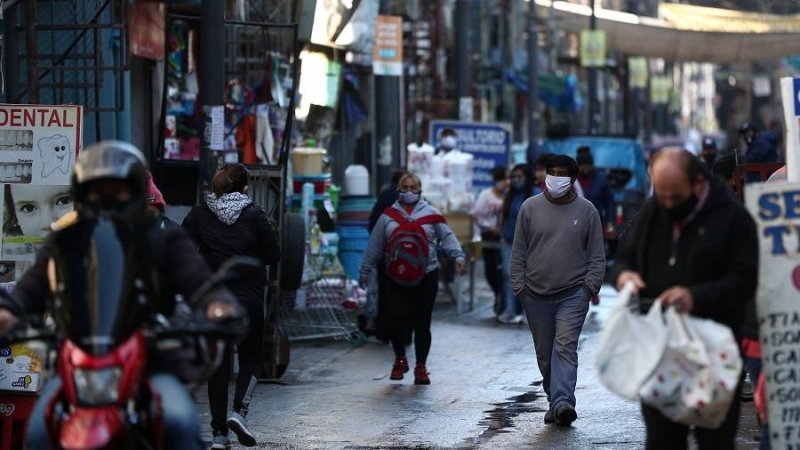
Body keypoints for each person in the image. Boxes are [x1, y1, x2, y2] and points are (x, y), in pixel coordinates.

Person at [0, 140, 243, 450]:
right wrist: (8, 312)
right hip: (79, 364)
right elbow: (29, 290)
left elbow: (199, 282)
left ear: (135, 192)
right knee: (39, 433)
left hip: (149, 363)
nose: (107, 200)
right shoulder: (66, 241)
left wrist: (217, 306)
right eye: (97, 191)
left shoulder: (164, 238)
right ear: (83, 193)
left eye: (117, 191)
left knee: (180, 425)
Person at [608, 149, 758, 450]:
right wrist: (625, 276)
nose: (668, 205)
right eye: (661, 195)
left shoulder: (733, 218)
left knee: (715, 440)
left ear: (698, 182)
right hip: (660, 349)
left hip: (714, 350)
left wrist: (696, 297)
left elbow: (746, 280)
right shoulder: (653, 211)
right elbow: (622, 259)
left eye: (675, 198)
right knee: (662, 439)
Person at [182, 162, 281, 449]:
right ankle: (240, 412)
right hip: (248, 298)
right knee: (250, 357)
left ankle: (218, 435)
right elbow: (273, 254)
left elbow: (183, 250)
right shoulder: (255, 215)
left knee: (219, 365)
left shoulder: (200, 214)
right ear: (244, 187)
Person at [510, 154, 605, 427]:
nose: (555, 177)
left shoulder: (587, 211)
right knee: (545, 353)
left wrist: (588, 289)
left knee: (564, 346)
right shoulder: (529, 208)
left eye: (562, 173)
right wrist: (521, 290)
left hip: (573, 293)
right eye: (551, 171)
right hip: (535, 295)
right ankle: (555, 400)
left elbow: (597, 257)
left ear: (573, 179)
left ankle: (564, 402)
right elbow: (518, 254)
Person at [358, 173, 466, 385]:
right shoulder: (387, 216)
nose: (409, 191)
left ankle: (421, 367)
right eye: (405, 187)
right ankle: (400, 359)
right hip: (394, 276)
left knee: (422, 323)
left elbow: (447, 236)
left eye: (413, 187)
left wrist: (458, 256)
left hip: (426, 275)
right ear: (399, 190)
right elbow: (375, 245)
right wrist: (365, 270)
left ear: (420, 190)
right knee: (396, 319)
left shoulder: (432, 213)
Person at [365, 168, 408, 342]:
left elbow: (373, 224)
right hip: (412, 257)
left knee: (386, 294)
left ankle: (384, 332)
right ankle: (406, 334)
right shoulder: (419, 199)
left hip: (388, 255)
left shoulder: (386, 197)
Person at [497, 164, 539, 324]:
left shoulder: (536, 196)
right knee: (508, 276)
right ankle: (509, 309)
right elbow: (505, 217)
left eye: (519, 176)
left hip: (530, 244)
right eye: (513, 176)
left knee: (530, 278)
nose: (516, 180)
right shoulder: (509, 194)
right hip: (509, 241)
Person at [471, 166, 507, 315]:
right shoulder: (486, 195)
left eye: (505, 179)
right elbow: (476, 214)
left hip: (506, 237)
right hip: (489, 236)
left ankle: (504, 298)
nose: (504, 182)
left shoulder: (509, 195)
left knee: (505, 270)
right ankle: (498, 293)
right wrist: (488, 227)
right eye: (500, 180)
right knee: (490, 270)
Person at [2, 184, 74, 258]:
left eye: (64, 201)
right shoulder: (9, 250)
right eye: (29, 208)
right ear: (16, 218)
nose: (47, 223)